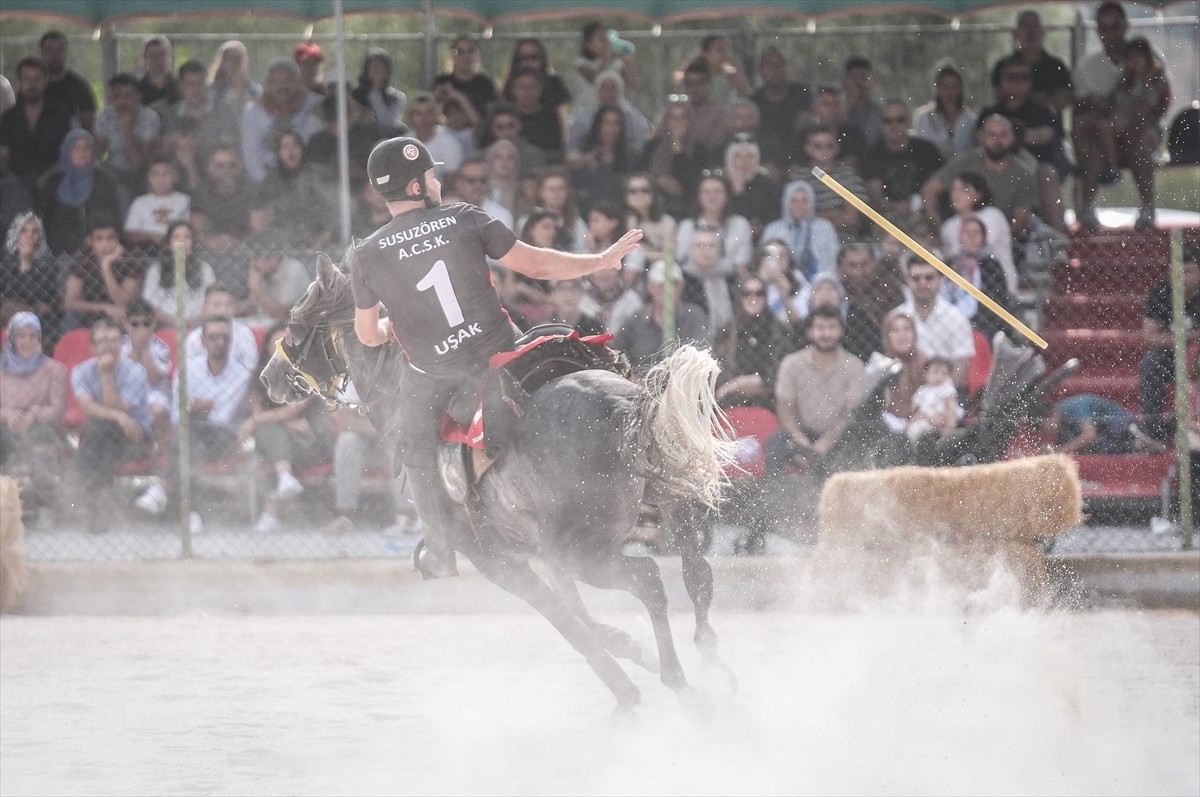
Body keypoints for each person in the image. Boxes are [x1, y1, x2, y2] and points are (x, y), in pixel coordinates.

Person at [351, 136, 644, 579]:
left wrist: (393, 327)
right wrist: (600, 260)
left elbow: (367, 335)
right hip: (501, 350)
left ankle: (440, 551)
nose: (435, 181)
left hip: (437, 375)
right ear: (415, 187)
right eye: (431, 176)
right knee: (558, 364)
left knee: (415, 447)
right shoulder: (465, 218)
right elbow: (536, 266)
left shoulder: (366, 254)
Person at [135, 314, 254, 534]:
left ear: (232, 341)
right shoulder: (188, 370)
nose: (220, 342)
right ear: (203, 341)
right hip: (193, 436)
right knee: (191, 445)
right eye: (213, 337)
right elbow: (176, 416)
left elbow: (234, 417)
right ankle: (193, 515)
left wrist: (198, 412)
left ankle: (164, 489)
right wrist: (193, 409)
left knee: (189, 436)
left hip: (225, 438)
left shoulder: (244, 374)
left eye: (225, 338)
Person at [241, 322, 335, 534]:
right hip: (285, 442)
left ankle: (271, 512)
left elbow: (290, 411)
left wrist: (265, 420)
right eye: (275, 344)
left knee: (269, 438)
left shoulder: (310, 374)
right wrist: (282, 422)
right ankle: (284, 478)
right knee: (271, 435)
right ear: (266, 348)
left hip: (313, 443)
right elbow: (257, 412)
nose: (279, 349)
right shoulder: (259, 377)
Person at [69, 316, 153, 533]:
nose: (110, 346)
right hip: (105, 437)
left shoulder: (136, 371)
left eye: (114, 340)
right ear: (92, 347)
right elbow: (87, 407)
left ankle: (81, 490)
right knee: (101, 429)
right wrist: (117, 417)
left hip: (136, 436)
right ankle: (99, 503)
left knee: (98, 430)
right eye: (103, 341)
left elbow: (117, 406)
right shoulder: (81, 371)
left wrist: (106, 374)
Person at [765, 304, 866, 476]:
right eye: (820, 328)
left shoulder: (854, 365)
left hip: (839, 436)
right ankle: (776, 497)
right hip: (800, 434)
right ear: (809, 332)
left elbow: (851, 412)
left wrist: (825, 443)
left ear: (841, 331)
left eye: (831, 328)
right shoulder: (791, 363)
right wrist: (802, 444)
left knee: (861, 441)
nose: (826, 334)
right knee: (775, 443)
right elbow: (784, 409)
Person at [978, 55, 1067, 230]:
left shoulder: (1043, 111)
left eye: (1024, 77)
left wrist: (1011, 138)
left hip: (1035, 174)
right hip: (995, 171)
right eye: (1011, 77)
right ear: (1000, 81)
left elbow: (1047, 133)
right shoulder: (989, 112)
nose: (1018, 82)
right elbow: (979, 140)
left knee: (1048, 174)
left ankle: (1058, 241)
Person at [921, 114, 1038, 238]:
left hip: (1002, 240)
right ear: (981, 138)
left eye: (1003, 135)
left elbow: (1020, 221)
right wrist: (936, 229)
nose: (997, 140)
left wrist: (985, 240)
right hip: (959, 236)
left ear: (1012, 138)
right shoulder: (965, 162)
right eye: (992, 135)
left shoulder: (1024, 173)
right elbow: (929, 190)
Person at [1104, 36, 1172, 230]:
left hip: (1148, 129)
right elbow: (1117, 104)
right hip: (1123, 130)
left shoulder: (1158, 78)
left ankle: (1148, 204)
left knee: (1140, 146)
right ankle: (1111, 167)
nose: (1134, 62)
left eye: (1138, 57)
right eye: (1130, 58)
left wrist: (1139, 118)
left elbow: (1156, 108)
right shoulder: (1124, 80)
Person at [0, 313, 68, 500]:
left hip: (42, 424)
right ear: (12, 338)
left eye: (33, 336)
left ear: (39, 338)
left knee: (40, 437)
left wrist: (33, 415)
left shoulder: (54, 369)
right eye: (21, 336)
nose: (27, 341)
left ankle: (45, 501)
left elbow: (58, 408)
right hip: (7, 423)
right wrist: (9, 415)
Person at [1139, 245, 1200, 442]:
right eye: (1178, 272)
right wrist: (1191, 336)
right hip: (1171, 355)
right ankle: (1154, 429)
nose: (1183, 277)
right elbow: (1149, 336)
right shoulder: (1162, 291)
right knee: (1151, 362)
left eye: (1189, 271)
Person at [712, 275, 799, 410]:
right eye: (747, 294)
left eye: (759, 293)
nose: (753, 299)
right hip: (731, 399)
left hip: (771, 398)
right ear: (739, 297)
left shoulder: (780, 330)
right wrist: (735, 387)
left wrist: (740, 383)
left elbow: (783, 370)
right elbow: (719, 367)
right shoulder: (727, 330)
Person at [33, 129, 123, 258]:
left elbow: (115, 218)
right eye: (76, 148)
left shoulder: (105, 181)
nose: (82, 152)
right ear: (67, 151)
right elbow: (43, 219)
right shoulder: (52, 183)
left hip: (98, 251)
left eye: (87, 148)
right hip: (58, 253)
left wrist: (94, 238)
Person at [612, 259, 711, 375]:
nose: (669, 289)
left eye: (674, 283)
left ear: (682, 286)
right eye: (662, 284)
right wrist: (630, 376)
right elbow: (616, 352)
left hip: (683, 385)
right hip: (641, 389)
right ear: (650, 287)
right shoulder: (637, 319)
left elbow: (703, 354)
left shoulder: (694, 316)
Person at [894, 256, 975, 389]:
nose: (922, 283)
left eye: (929, 278)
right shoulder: (896, 316)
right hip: (905, 391)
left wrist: (936, 396)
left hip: (945, 394)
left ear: (940, 279)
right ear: (907, 280)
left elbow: (961, 366)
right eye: (916, 278)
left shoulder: (956, 318)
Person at [862, 99, 944, 230]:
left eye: (900, 120)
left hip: (924, 216)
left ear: (909, 123)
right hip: (888, 219)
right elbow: (876, 196)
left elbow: (939, 188)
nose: (894, 125)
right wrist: (896, 207)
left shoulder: (927, 150)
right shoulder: (872, 154)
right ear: (881, 124)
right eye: (888, 121)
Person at [241, 59, 323, 184]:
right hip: (268, 180)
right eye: (277, 81)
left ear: (298, 81)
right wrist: (266, 184)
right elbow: (251, 156)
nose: (283, 86)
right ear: (268, 84)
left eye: (288, 80)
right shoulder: (254, 112)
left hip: (308, 179)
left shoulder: (315, 104)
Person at [0, 56, 74, 190]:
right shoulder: (9, 117)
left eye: (36, 79)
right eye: (26, 79)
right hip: (16, 183)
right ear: (19, 82)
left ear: (45, 81)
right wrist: (13, 179)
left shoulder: (60, 114)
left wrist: (47, 178)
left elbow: (67, 153)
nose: (31, 84)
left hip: (54, 181)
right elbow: (3, 156)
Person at [60, 215, 143, 333]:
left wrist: (106, 267)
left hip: (121, 312)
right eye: (99, 239)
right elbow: (70, 301)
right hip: (90, 311)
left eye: (110, 238)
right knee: (70, 320)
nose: (105, 244)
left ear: (118, 239)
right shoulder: (82, 257)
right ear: (91, 241)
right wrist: (104, 307)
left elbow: (121, 301)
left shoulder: (131, 259)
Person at [938, 171, 1017, 293]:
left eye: (964, 189)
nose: (956, 194)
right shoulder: (949, 225)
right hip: (961, 289)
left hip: (996, 284)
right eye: (954, 189)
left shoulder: (992, 215)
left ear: (978, 194)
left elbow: (977, 248)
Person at [942, 216, 1015, 342]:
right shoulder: (950, 264)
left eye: (976, 232)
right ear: (960, 236)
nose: (971, 236)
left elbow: (998, 302)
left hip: (983, 327)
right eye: (967, 232)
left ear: (984, 237)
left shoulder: (991, 266)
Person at [259, 130, 332, 250]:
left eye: (295, 145)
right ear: (278, 152)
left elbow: (333, 206)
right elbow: (263, 218)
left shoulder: (315, 175)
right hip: (279, 247)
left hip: (316, 244)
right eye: (285, 146)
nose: (291, 151)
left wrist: (325, 234)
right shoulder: (270, 181)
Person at [795, 124, 868, 239]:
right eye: (818, 146)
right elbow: (797, 218)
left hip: (845, 243)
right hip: (808, 241)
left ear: (837, 147)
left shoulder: (850, 175)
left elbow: (851, 219)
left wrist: (815, 216)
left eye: (829, 145)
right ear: (807, 148)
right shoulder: (798, 178)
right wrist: (837, 213)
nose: (824, 150)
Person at [675, 171, 753, 278]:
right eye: (707, 192)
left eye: (718, 192)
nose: (712, 196)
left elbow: (741, 265)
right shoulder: (687, 227)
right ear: (699, 198)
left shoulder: (741, 225)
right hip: (692, 283)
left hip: (730, 282)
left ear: (727, 197)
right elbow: (680, 260)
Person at [638, 99, 708, 220]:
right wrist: (659, 181)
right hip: (656, 207)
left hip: (688, 209)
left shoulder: (700, 149)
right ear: (667, 121)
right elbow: (641, 174)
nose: (677, 122)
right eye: (673, 118)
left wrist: (678, 149)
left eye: (682, 118)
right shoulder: (652, 147)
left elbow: (693, 182)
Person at [760, 181, 839, 282]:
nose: (799, 205)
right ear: (786, 202)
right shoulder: (773, 229)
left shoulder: (824, 227)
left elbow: (831, 262)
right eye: (794, 200)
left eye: (804, 200)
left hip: (818, 283)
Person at [750, 47, 810, 179]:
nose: (776, 70)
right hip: (765, 163)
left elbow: (806, 131)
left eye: (780, 65)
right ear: (760, 70)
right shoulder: (754, 100)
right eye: (770, 65)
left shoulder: (801, 94)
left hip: (799, 163)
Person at [565, 69, 649, 164]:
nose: (608, 92)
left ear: (620, 90)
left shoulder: (634, 117)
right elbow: (572, 148)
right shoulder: (583, 117)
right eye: (604, 88)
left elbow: (640, 146)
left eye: (613, 88)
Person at [141, 221, 215, 327]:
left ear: (193, 242)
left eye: (187, 237)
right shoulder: (156, 270)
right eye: (176, 237)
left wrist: (193, 321)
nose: (182, 241)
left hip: (198, 326)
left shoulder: (205, 269)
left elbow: (213, 302)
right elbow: (148, 305)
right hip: (164, 326)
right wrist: (175, 322)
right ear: (169, 243)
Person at [1038, 393, 1164, 455]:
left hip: (1119, 422)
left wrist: (1060, 450)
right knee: (1101, 447)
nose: (1048, 431)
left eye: (1046, 427)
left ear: (1052, 414)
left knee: (1114, 430)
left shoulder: (1075, 406)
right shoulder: (1061, 422)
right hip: (1103, 435)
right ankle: (1136, 445)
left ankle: (1140, 435)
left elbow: (1089, 435)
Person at [0, 212, 61, 338]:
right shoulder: (6, 262)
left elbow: (40, 296)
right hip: (11, 314)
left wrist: (26, 262)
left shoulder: (49, 262)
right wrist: (24, 262)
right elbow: (9, 295)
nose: (29, 235)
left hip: (43, 319)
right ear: (16, 233)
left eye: (34, 231)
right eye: (24, 231)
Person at [1002, 9, 1073, 115]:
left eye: (1035, 26)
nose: (1031, 31)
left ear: (1043, 31)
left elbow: (1064, 100)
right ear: (1015, 33)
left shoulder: (1057, 66)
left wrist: (1022, 97)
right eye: (1025, 26)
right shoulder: (1003, 66)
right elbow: (998, 98)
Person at [120, 297, 172, 441]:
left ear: (154, 323)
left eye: (146, 323)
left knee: (159, 410)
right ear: (126, 323)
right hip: (126, 393)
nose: (141, 329)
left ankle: (157, 446)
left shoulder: (160, 347)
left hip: (154, 393)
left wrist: (144, 349)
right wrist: (136, 349)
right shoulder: (120, 346)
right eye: (135, 324)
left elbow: (154, 379)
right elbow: (122, 379)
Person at [241, 232, 311, 325]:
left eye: (256, 258)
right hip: (266, 323)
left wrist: (256, 289)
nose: (253, 264)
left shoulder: (293, 269)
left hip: (296, 326)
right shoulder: (261, 272)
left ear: (274, 258)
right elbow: (252, 308)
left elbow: (279, 314)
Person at [913, 62, 978, 160]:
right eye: (945, 86)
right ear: (937, 89)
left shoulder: (970, 120)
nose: (949, 91)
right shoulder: (924, 118)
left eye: (954, 86)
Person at [184, 284, 258, 370]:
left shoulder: (244, 333)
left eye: (228, 305)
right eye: (217, 305)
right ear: (204, 309)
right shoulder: (195, 337)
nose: (223, 310)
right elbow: (186, 369)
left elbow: (251, 367)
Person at [123, 155, 190, 247]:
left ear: (176, 177)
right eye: (156, 174)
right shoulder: (139, 202)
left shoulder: (185, 200)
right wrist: (155, 237)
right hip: (147, 251)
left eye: (166, 173)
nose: (161, 178)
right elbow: (130, 233)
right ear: (148, 178)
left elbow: (191, 230)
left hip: (178, 249)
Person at [724, 137, 782, 240]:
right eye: (738, 157)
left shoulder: (767, 185)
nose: (744, 162)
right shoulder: (721, 184)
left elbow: (771, 217)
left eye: (750, 157)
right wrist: (738, 192)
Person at [39, 31, 97, 131]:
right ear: (41, 54)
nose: (54, 55)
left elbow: (89, 122)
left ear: (66, 52)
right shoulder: (33, 86)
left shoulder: (79, 86)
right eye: (49, 50)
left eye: (59, 50)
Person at [573, 21, 638, 108]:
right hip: (590, 110)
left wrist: (629, 61)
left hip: (615, 110)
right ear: (589, 44)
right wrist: (605, 58)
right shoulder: (582, 63)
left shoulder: (615, 63)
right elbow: (595, 80)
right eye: (601, 39)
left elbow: (631, 84)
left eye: (606, 39)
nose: (605, 43)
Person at [432, 34, 498, 119]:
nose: (466, 56)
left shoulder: (485, 84)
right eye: (460, 52)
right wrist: (435, 99)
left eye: (471, 51)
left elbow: (491, 119)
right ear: (452, 56)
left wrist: (459, 98)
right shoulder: (442, 82)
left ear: (478, 55)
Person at [406, 91, 465, 180]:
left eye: (429, 113)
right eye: (418, 113)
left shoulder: (449, 141)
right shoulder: (403, 143)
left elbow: (453, 178)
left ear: (437, 115)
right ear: (410, 117)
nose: (424, 118)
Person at [622, 172, 675, 266]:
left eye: (645, 190)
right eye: (633, 191)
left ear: (653, 194)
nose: (639, 194)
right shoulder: (616, 220)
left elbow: (668, 256)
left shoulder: (667, 221)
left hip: (657, 271)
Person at [208, 40, 261, 131]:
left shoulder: (256, 91)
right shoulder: (213, 91)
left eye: (239, 58)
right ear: (223, 63)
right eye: (230, 58)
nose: (235, 62)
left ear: (247, 62)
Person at [905, 356, 961, 441]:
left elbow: (951, 409)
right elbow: (913, 409)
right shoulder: (922, 390)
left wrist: (948, 426)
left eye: (944, 373)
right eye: (935, 372)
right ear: (925, 374)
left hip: (940, 421)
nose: (939, 376)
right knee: (912, 430)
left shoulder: (947, 390)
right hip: (923, 420)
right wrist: (915, 418)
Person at [352, 49, 407, 131]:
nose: (376, 71)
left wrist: (375, 93)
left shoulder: (396, 97)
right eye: (373, 67)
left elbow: (388, 123)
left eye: (380, 67)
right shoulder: (355, 95)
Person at [453, 156, 513, 230]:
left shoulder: (501, 215)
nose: (478, 185)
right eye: (471, 180)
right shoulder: (447, 212)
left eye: (483, 180)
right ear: (459, 183)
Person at [842, 56, 883, 149]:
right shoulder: (836, 110)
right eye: (854, 78)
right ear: (845, 81)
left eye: (863, 78)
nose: (859, 83)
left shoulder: (878, 113)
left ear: (871, 82)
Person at [136, 36, 181, 112]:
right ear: (145, 59)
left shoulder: (181, 86)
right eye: (153, 55)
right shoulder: (136, 89)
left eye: (162, 54)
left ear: (170, 57)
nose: (158, 59)